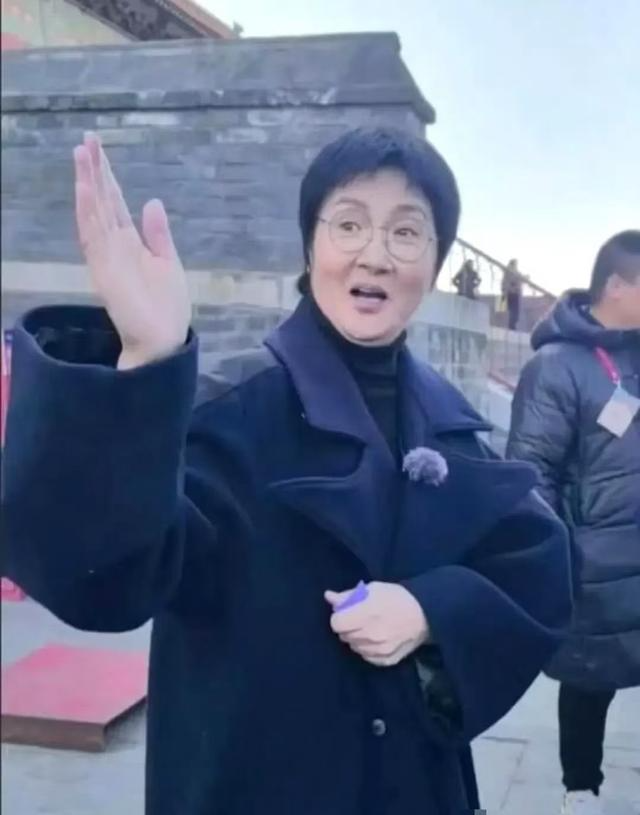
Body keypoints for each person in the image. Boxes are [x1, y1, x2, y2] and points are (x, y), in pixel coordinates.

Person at [2, 127, 573, 815]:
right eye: (349, 224)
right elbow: (100, 580)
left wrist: (431, 609)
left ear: (434, 263)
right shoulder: (227, 411)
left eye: (406, 232)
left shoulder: (452, 425)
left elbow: (540, 564)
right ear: (310, 245)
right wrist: (145, 367)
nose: (375, 254)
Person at [507, 230, 640, 815]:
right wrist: (559, 554)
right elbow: (530, 471)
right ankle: (581, 791)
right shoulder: (556, 366)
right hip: (595, 567)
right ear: (616, 286)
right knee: (589, 681)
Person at [502, 258, 523, 330]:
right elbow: (508, 281)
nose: (516, 265)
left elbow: (520, 277)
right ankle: (511, 325)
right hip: (511, 293)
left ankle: (512, 325)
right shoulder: (510, 271)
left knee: (514, 311)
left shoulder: (515, 271)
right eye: (515, 263)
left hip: (514, 293)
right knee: (513, 310)